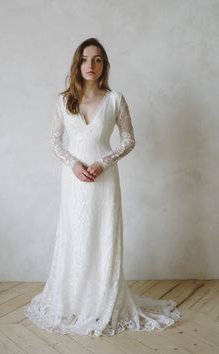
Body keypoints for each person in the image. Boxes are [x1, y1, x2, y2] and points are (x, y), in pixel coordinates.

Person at [24, 37, 181, 336]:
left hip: (104, 180)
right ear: (77, 63)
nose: (90, 65)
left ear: (104, 65)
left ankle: (101, 302)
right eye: (85, 59)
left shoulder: (115, 99)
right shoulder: (63, 100)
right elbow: (55, 142)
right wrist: (74, 164)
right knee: (75, 235)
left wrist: (103, 162)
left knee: (102, 236)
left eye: (97, 60)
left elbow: (129, 139)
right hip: (73, 181)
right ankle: (73, 300)